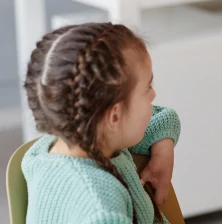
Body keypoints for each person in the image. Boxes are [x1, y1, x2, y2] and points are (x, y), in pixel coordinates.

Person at [21, 22, 181, 224]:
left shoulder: (62, 142)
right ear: (114, 115)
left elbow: (161, 119)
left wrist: (163, 148)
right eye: (147, 88)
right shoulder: (101, 209)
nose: (153, 95)